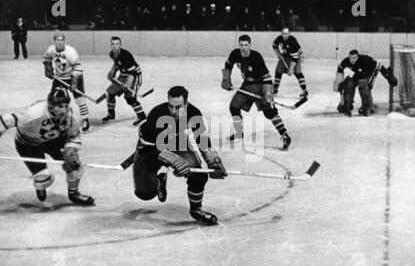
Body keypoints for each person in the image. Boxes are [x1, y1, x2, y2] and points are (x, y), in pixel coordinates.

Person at [133, 86, 227, 225]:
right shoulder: (157, 114)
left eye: (178, 107)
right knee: (145, 194)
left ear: (186, 104)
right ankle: (159, 180)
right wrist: (170, 158)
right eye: (171, 106)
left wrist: (213, 161)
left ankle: (196, 210)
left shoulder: (193, 113)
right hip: (151, 149)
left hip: (177, 145)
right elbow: (144, 147)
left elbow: (202, 139)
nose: (174, 111)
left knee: (199, 175)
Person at [0, 87, 94, 205]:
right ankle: (40, 186)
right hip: (28, 144)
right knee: (43, 178)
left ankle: (74, 194)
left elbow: (73, 136)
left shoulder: (71, 116)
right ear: (50, 106)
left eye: (66, 106)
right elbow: (6, 120)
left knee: (74, 165)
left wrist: (70, 151)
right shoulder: (34, 114)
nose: (64, 110)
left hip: (53, 141)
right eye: (60, 106)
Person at [221, 34, 292, 149]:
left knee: (270, 112)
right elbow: (228, 65)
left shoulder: (256, 57)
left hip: (260, 85)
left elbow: (267, 76)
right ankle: (239, 132)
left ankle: (285, 135)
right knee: (234, 107)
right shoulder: (235, 53)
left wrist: (268, 93)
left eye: (246, 45)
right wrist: (226, 79)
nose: (243, 48)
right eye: (241, 45)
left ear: (250, 45)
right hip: (247, 86)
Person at [43, 31, 90, 132]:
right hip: (59, 77)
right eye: (57, 40)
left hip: (74, 76)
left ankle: (85, 119)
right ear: (54, 41)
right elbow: (46, 58)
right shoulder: (51, 49)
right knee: (53, 98)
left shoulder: (71, 52)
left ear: (64, 41)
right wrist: (48, 68)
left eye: (61, 40)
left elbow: (78, 67)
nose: (59, 42)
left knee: (80, 99)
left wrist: (74, 82)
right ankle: (55, 119)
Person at [333, 49, 398, 117]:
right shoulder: (346, 61)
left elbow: (379, 66)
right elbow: (340, 68)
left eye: (354, 58)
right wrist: (338, 82)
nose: (352, 60)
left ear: (358, 57)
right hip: (360, 73)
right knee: (349, 84)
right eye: (350, 58)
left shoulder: (365, 59)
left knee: (364, 86)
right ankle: (346, 104)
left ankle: (368, 107)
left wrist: (389, 76)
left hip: (370, 72)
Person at [101, 36, 146, 126]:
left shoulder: (126, 55)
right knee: (109, 93)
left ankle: (142, 116)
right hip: (124, 75)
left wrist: (127, 84)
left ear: (120, 45)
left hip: (134, 75)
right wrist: (112, 72)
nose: (115, 46)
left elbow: (132, 73)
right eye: (113, 44)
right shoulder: (112, 54)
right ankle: (111, 114)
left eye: (117, 44)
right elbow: (117, 63)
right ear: (111, 45)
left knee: (130, 98)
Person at [272, 27, 309, 98]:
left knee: (298, 73)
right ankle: (275, 89)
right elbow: (274, 46)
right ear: (281, 34)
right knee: (278, 71)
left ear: (289, 34)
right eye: (283, 34)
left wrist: (291, 69)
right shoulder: (279, 39)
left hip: (296, 56)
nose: (285, 35)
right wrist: (279, 54)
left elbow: (295, 57)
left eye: (286, 34)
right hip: (286, 56)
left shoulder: (292, 41)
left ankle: (304, 90)